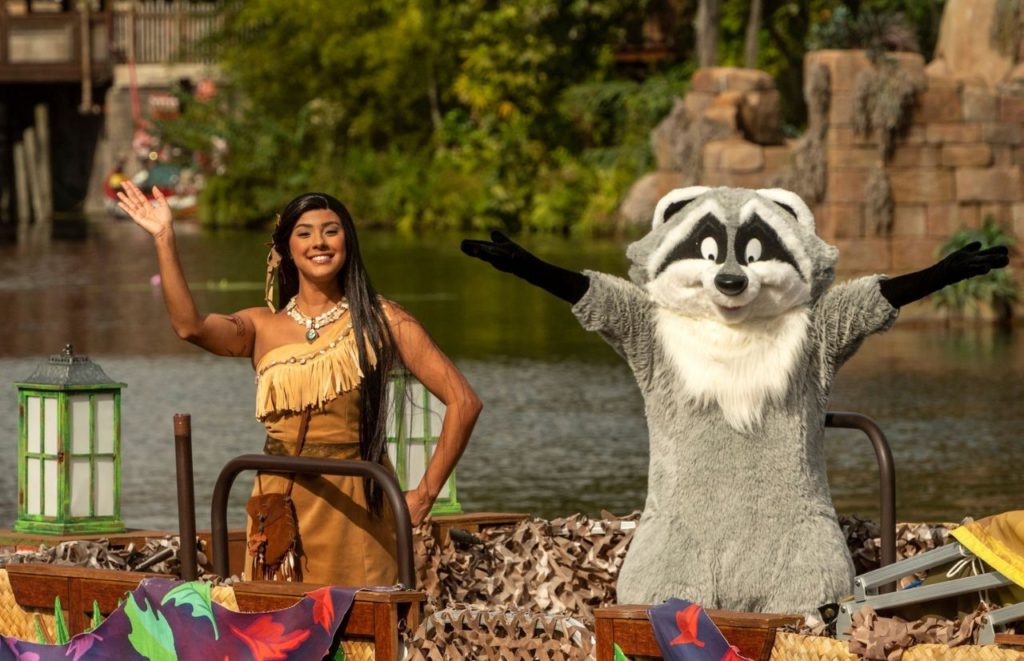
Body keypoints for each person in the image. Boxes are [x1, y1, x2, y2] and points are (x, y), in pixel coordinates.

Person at [119, 181, 482, 585]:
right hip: (276, 507)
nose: (319, 242)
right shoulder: (261, 325)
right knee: (275, 637)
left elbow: (463, 402)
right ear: (285, 249)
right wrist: (165, 238)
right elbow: (189, 327)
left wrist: (425, 495)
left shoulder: (383, 319)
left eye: (331, 230)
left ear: (348, 242)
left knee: (359, 635)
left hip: (358, 507)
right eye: (304, 233)